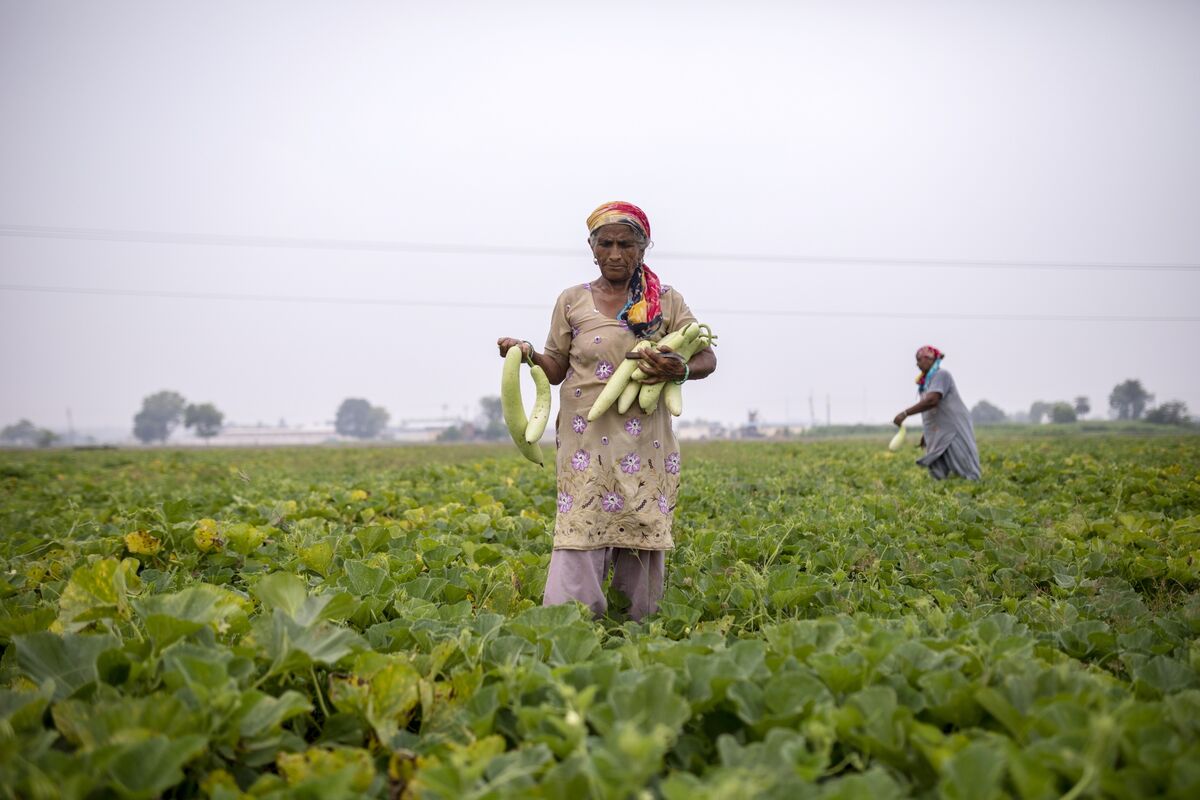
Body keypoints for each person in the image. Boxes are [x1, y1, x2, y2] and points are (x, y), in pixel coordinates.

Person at [497, 201, 717, 621]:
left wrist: (680, 368)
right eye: (606, 243)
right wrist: (526, 354)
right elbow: (557, 368)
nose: (616, 253)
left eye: (626, 244)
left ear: (644, 248)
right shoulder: (571, 301)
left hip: (645, 440)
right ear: (592, 247)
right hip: (585, 441)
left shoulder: (667, 303)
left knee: (640, 525)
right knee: (581, 525)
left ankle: (635, 622)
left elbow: (706, 358)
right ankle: (572, 622)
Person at [893, 346, 981, 480]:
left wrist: (905, 413)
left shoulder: (941, 375)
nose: (917, 364)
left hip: (953, 428)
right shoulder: (925, 382)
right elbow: (931, 411)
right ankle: (942, 494)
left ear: (929, 359)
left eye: (919, 360)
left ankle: (973, 492)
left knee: (965, 465)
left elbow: (932, 400)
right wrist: (927, 433)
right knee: (937, 469)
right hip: (938, 431)